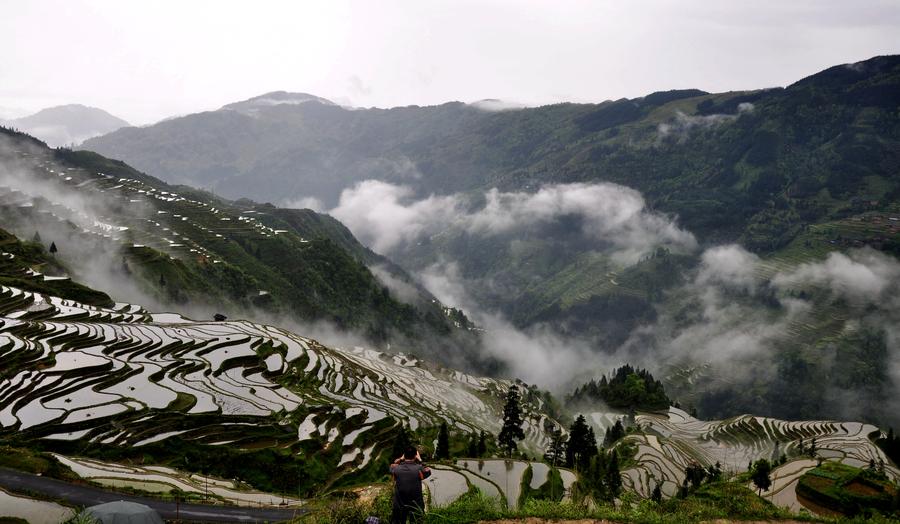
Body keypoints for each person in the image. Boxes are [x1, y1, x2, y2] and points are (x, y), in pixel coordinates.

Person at [389, 445, 431, 524]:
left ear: (404, 455)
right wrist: (420, 460)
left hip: (399, 504)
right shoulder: (419, 469)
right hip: (416, 504)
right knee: (416, 521)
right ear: (415, 456)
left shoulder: (396, 468)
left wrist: (401, 459)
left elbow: (392, 465)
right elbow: (428, 471)